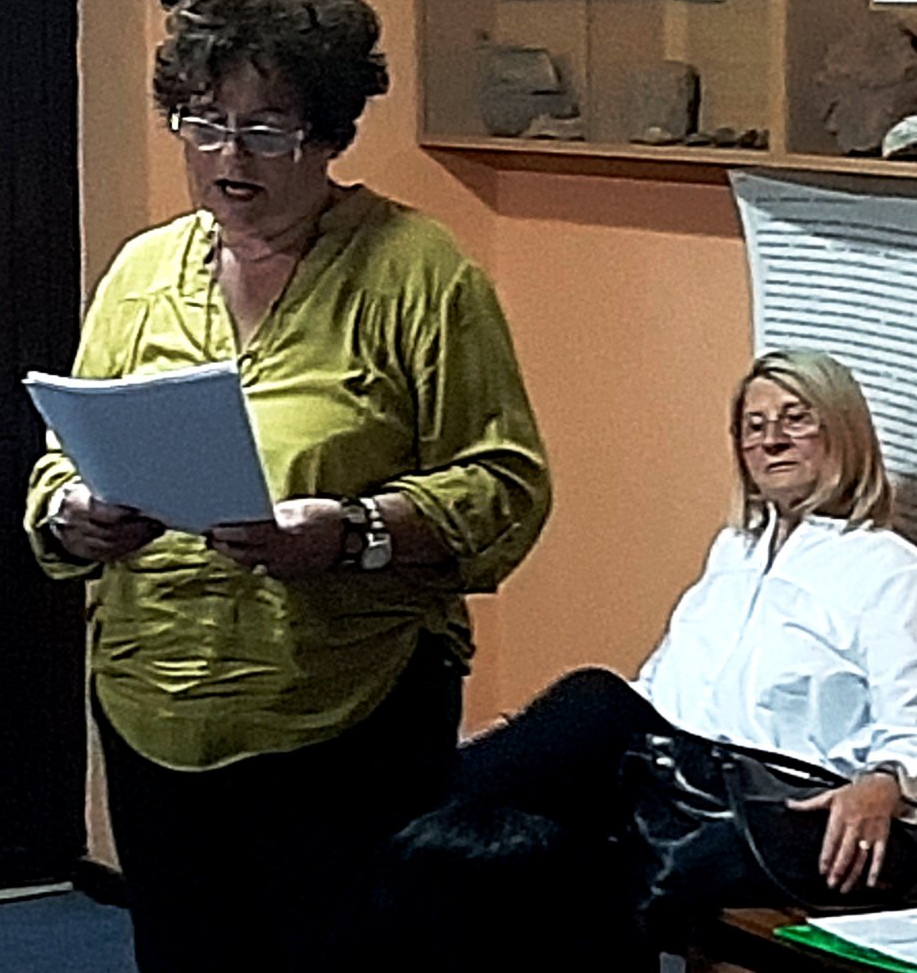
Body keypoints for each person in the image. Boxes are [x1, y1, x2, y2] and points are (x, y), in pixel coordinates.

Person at [23, 0, 550, 973]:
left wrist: (351, 535)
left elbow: (505, 485)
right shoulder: (141, 272)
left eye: (267, 132)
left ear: (331, 134)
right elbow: (60, 462)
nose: (229, 157)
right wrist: (72, 517)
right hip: (151, 702)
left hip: (343, 715)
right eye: (204, 124)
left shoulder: (418, 270)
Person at [382, 348, 917, 961]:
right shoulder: (736, 550)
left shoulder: (889, 569)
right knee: (476, 843)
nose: (771, 440)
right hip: (670, 780)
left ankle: (404, 799)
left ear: (843, 430)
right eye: (754, 426)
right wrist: (530, 738)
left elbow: (912, 719)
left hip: (767, 801)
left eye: (796, 419)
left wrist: (885, 783)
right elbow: (660, 686)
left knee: (589, 701)